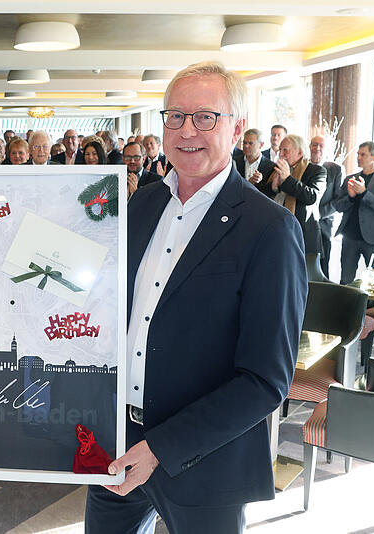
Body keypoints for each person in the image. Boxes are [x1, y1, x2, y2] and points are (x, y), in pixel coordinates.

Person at [85, 62, 305, 534]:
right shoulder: (138, 207)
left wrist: (162, 448)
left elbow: (265, 380)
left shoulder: (269, 229)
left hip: (205, 459)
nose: (187, 130)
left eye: (206, 117)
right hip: (116, 445)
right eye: (175, 116)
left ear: (237, 128)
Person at [334, 141, 374, 284]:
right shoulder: (350, 179)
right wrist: (351, 197)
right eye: (358, 154)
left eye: (363, 154)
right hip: (349, 237)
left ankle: (372, 307)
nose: (359, 157)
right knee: (346, 281)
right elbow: (338, 206)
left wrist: (364, 193)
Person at [259, 134, 327, 254]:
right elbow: (260, 195)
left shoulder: (316, 171)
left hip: (301, 234)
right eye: (280, 150)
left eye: (285, 150)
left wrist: (287, 179)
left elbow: (311, 197)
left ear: (300, 153)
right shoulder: (274, 168)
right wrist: (273, 188)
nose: (281, 154)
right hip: (274, 230)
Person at [311, 135, 344, 278]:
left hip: (324, 226)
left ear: (327, 149)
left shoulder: (336, 169)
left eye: (321, 145)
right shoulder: (303, 166)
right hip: (304, 227)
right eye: (314, 144)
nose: (317, 148)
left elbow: (339, 200)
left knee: (323, 269)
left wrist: (317, 214)